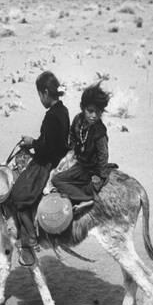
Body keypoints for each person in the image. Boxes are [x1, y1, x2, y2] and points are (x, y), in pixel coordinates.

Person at [9, 71, 70, 266]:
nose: (40, 99)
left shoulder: (51, 116)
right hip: (57, 157)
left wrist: (32, 142)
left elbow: (48, 146)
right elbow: (53, 141)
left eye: (39, 95)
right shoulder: (63, 110)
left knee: (18, 194)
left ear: (45, 93)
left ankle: (30, 240)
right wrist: (35, 143)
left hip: (48, 162)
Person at [52, 82, 111, 214]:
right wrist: (73, 151)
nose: (94, 115)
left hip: (92, 169)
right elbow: (72, 135)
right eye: (90, 111)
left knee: (59, 180)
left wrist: (100, 178)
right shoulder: (78, 120)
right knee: (56, 178)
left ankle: (86, 199)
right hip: (81, 164)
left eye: (98, 112)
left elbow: (103, 155)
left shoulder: (99, 132)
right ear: (82, 108)